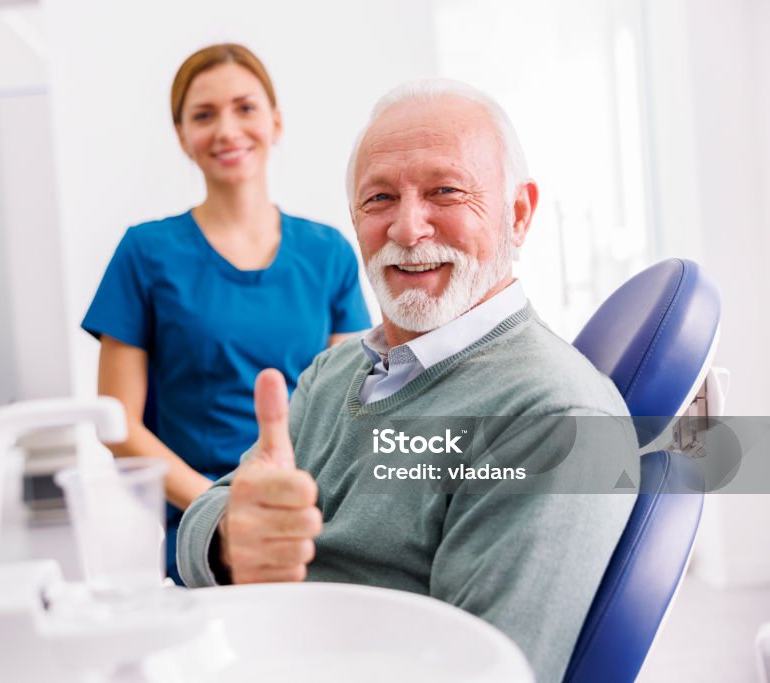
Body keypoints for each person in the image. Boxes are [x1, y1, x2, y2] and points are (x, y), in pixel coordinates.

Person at [177, 79, 637, 683]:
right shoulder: (334, 370)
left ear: (517, 214)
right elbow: (201, 525)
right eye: (379, 200)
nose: (407, 228)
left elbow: (489, 672)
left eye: (445, 191)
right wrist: (230, 537)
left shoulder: (555, 421)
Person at [82, 44, 371, 584]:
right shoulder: (145, 254)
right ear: (182, 136)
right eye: (204, 115)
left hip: (308, 527)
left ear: (276, 121)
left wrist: (290, 513)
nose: (227, 129)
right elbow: (118, 425)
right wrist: (223, 515)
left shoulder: (329, 252)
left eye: (245, 108)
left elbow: (349, 410)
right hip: (201, 540)